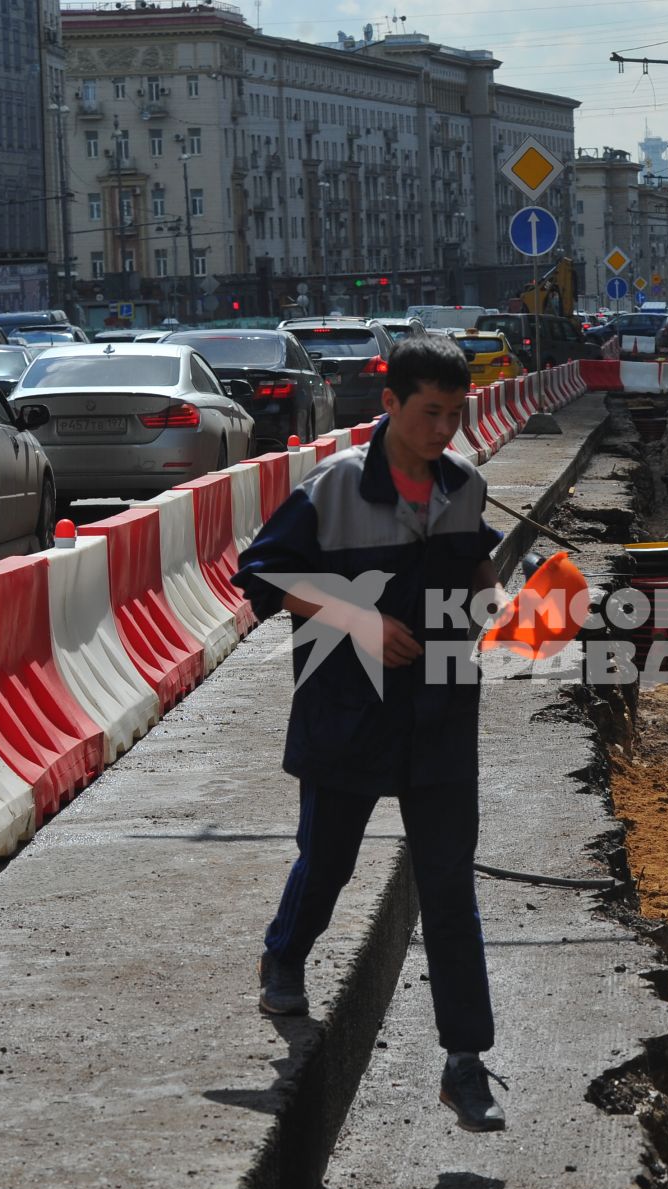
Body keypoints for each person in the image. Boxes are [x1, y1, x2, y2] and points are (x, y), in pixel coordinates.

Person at [233, 334, 510, 1133]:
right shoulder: (333, 490)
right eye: (430, 413)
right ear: (388, 404)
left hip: (442, 711)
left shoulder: (465, 486)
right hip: (349, 708)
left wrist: (505, 606)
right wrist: (356, 619)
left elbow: (477, 569)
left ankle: (465, 1062)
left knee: (450, 889)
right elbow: (261, 571)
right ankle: (285, 952)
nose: (443, 431)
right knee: (330, 858)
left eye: (456, 415)